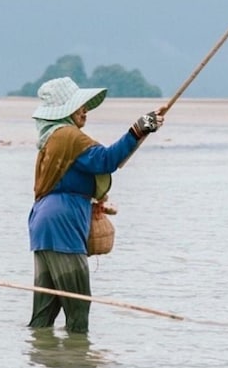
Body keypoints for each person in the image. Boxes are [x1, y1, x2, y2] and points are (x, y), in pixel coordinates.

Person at [28, 75, 164, 333]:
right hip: (63, 227)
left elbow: (67, 183)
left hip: (43, 224)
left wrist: (92, 204)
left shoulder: (52, 140)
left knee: (43, 317)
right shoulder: (68, 136)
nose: (85, 111)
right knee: (78, 314)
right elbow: (105, 160)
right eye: (80, 106)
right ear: (66, 111)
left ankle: (40, 366)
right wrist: (138, 129)